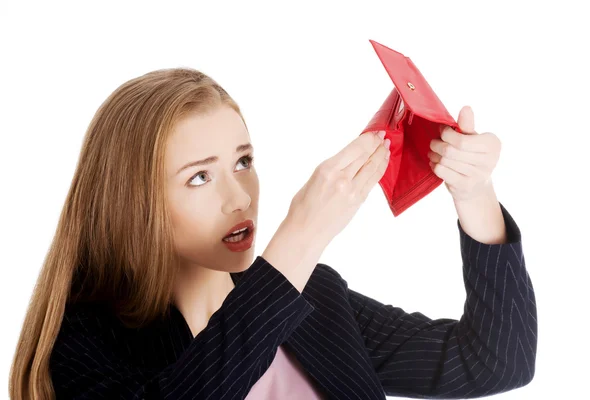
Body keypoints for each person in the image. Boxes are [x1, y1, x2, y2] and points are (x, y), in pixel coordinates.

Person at [9, 67, 537, 399]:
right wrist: (299, 240)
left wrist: (474, 195)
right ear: (133, 202)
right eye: (199, 175)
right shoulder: (83, 340)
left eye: (243, 161)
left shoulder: (314, 297)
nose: (240, 197)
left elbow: (494, 362)